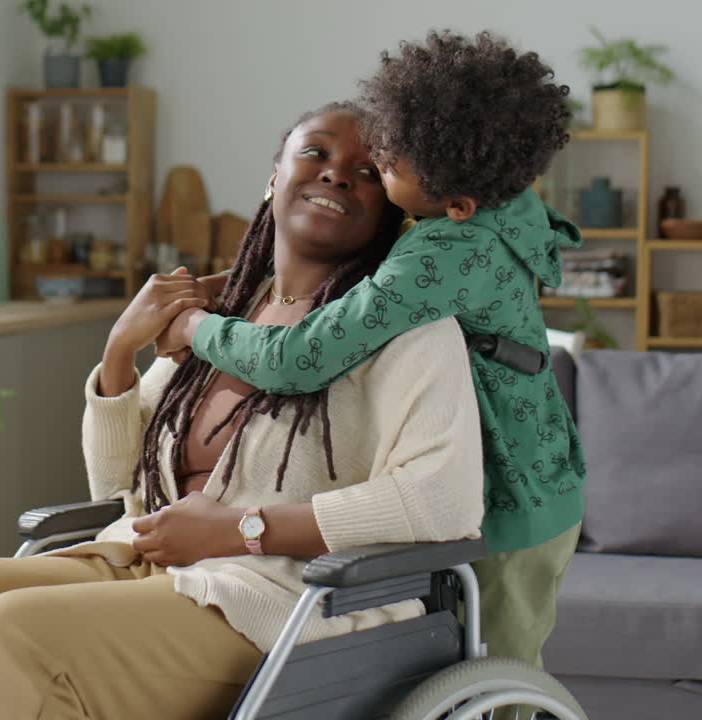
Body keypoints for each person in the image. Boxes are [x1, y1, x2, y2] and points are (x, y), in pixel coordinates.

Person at [0, 103, 485, 720]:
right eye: (315, 152)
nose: (338, 172)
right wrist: (119, 351)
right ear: (272, 181)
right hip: (146, 568)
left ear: (392, 211)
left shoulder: (407, 331)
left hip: (279, 602)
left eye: (368, 172)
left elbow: (442, 504)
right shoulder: (218, 317)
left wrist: (240, 530)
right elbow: (116, 488)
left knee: (13, 636)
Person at [156, 31, 586, 671]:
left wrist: (195, 329)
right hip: (537, 464)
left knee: (490, 667)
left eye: (383, 168)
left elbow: (297, 357)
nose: (372, 174)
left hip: (513, 497)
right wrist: (237, 289)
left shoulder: (441, 256)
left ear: (458, 204)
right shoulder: (499, 196)